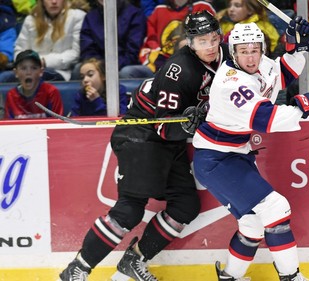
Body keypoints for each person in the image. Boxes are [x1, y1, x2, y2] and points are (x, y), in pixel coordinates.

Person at [58, 10, 230, 281]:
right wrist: (189, 123)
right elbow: (164, 126)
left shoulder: (224, 56)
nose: (208, 46)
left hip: (169, 142)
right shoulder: (179, 71)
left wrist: (291, 49)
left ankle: (134, 260)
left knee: (185, 205)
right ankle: (77, 269)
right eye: (201, 41)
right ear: (190, 42)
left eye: (212, 39)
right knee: (130, 210)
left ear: (219, 37)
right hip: (142, 134)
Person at [192, 21, 309, 281]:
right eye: (243, 51)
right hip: (215, 160)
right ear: (233, 52)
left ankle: (230, 276)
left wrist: (296, 48)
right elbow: (265, 119)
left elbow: (282, 72)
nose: (250, 57)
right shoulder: (230, 83)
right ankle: (291, 277)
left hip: (236, 154)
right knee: (277, 208)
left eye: (255, 50)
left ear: (261, 49)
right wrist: (303, 106)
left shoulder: (260, 62)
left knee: (253, 223)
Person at [119, 0, 216, 78]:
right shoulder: (159, 11)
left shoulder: (203, 8)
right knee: (127, 72)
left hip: (193, 66)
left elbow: (211, 40)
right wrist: (163, 65)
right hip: (161, 64)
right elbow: (150, 43)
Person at [0, 0, 86, 83]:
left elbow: (75, 53)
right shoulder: (31, 19)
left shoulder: (77, 17)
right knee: (4, 78)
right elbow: (19, 49)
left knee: (41, 76)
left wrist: (44, 61)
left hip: (60, 71)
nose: (54, 1)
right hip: (28, 70)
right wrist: (28, 63)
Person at [76, 0, 147, 80]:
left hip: (125, 64)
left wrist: (109, 67)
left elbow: (133, 52)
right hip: (98, 65)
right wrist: (99, 66)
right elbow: (87, 50)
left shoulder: (135, 14)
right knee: (78, 69)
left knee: (126, 72)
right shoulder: (90, 17)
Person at [4, 49, 64, 119]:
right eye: (23, 68)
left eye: (34, 68)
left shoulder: (51, 92)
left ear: (41, 72)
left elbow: (58, 123)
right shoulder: (11, 95)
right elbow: (8, 126)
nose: (28, 72)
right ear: (16, 73)